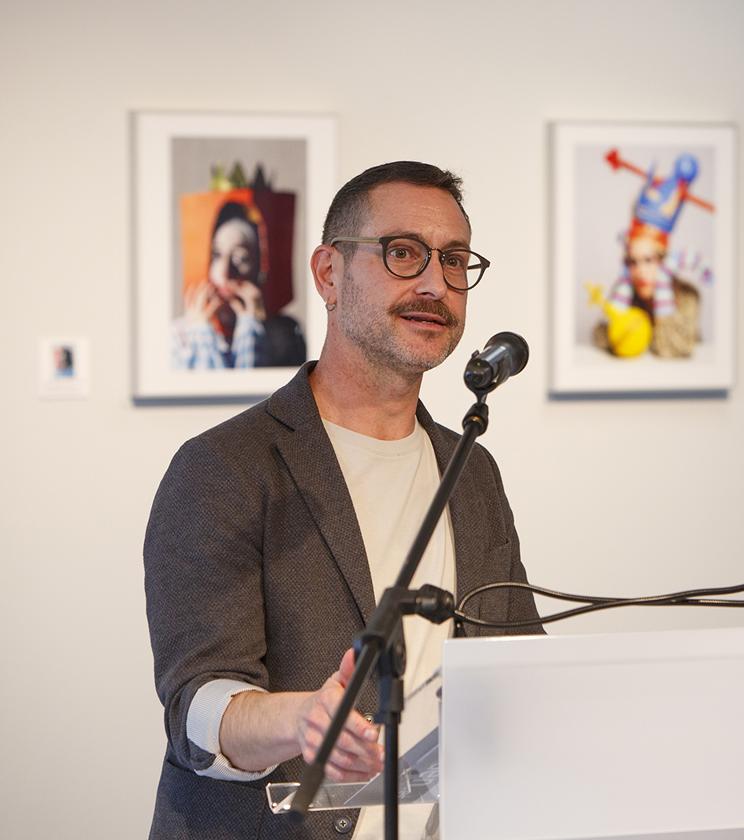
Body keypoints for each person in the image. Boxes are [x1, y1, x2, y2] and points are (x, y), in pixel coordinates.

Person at [145, 162, 541, 839]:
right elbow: (199, 708)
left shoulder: (471, 472)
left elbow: (517, 667)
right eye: (403, 252)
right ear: (328, 274)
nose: (433, 284)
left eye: (454, 261)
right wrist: (303, 721)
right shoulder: (224, 468)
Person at [171, 200, 306, 369]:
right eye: (217, 255)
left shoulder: (285, 335)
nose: (225, 272)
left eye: (241, 258)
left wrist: (252, 328)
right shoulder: (180, 335)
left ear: (260, 267)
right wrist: (200, 333)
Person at [592, 154, 702, 359]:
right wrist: (620, 321)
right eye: (632, 262)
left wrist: (661, 301)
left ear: (664, 260)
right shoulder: (626, 294)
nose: (640, 270)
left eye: (649, 260)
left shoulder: (688, 296)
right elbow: (599, 335)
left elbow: (675, 348)